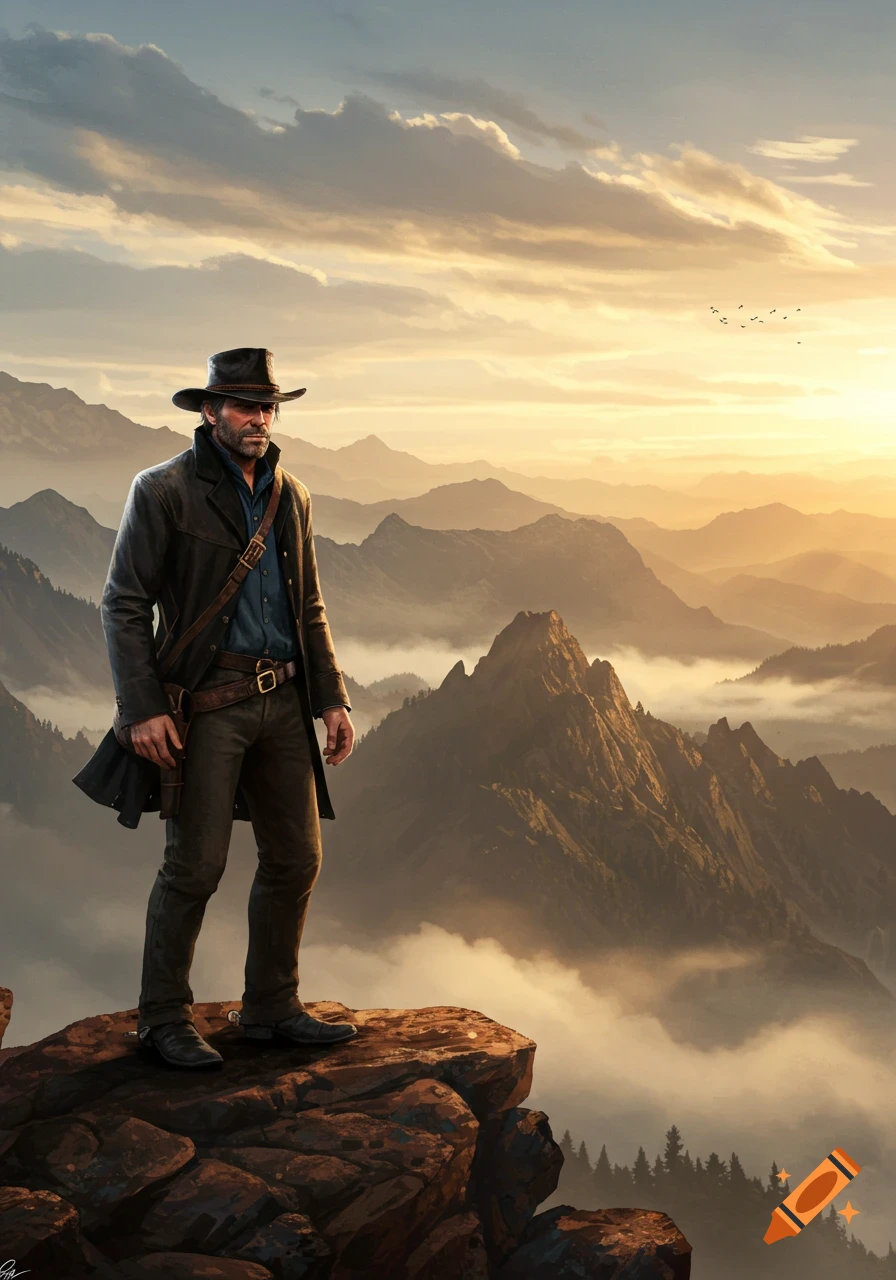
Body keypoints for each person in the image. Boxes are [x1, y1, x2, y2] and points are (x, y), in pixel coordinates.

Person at [100, 347, 357, 1068]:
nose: (260, 418)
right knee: (196, 865)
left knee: (296, 858)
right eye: (245, 405)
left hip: (285, 701)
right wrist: (142, 707)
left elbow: (309, 603)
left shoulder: (292, 495)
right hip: (208, 707)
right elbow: (123, 603)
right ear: (209, 411)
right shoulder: (164, 491)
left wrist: (331, 698)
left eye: (269, 406)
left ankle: (271, 1008)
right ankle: (162, 1018)